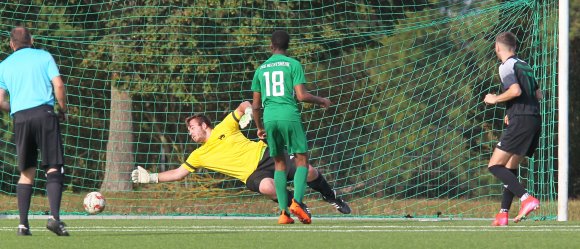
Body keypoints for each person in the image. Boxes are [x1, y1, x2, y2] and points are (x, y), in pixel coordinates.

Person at [131, 101, 350, 223]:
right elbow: (179, 173)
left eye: (192, 128)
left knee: (309, 171)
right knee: (268, 187)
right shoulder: (198, 155)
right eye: (188, 130)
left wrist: (246, 113)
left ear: (205, 125)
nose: (190, 133)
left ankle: (332, 198)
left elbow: (246, 103)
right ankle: (297, 205)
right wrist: (151, 177)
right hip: (251, 175)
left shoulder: (225, 126)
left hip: (266, 156)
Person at [251, 30, 331, 224]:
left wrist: (259, 126)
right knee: (301, 160)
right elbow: (302, 96)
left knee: (279, 163)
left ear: (271, 46)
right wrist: (322, 100)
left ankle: (284, 213)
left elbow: (255, 105)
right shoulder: (293, 65)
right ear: (288, 46)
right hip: (289, 115)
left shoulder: (261, 69)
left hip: (269, 118)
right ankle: (297, 202)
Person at [0, 26, 69, 236]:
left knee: (26, 171)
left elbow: (0, 101)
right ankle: (54, 219)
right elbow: (58, 85)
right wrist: (63, 109)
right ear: (32, 40)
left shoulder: (4, 65)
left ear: (11, 44)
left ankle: (23, 225)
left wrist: (17, 108)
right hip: (44, 114)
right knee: (53, 167)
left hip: (20, 119)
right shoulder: (44, 56)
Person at [484, 31, 542, 226]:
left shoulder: (505, 66)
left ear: (497, 48)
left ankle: (526, 199)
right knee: (510, 167)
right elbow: (538, 94)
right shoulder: (525, 65)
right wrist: (513, 109)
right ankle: (503, 213)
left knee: (495, 166)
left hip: (522, 120)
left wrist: (495, 99)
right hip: (533, 119)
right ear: (515, 47)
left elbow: (515, 91)